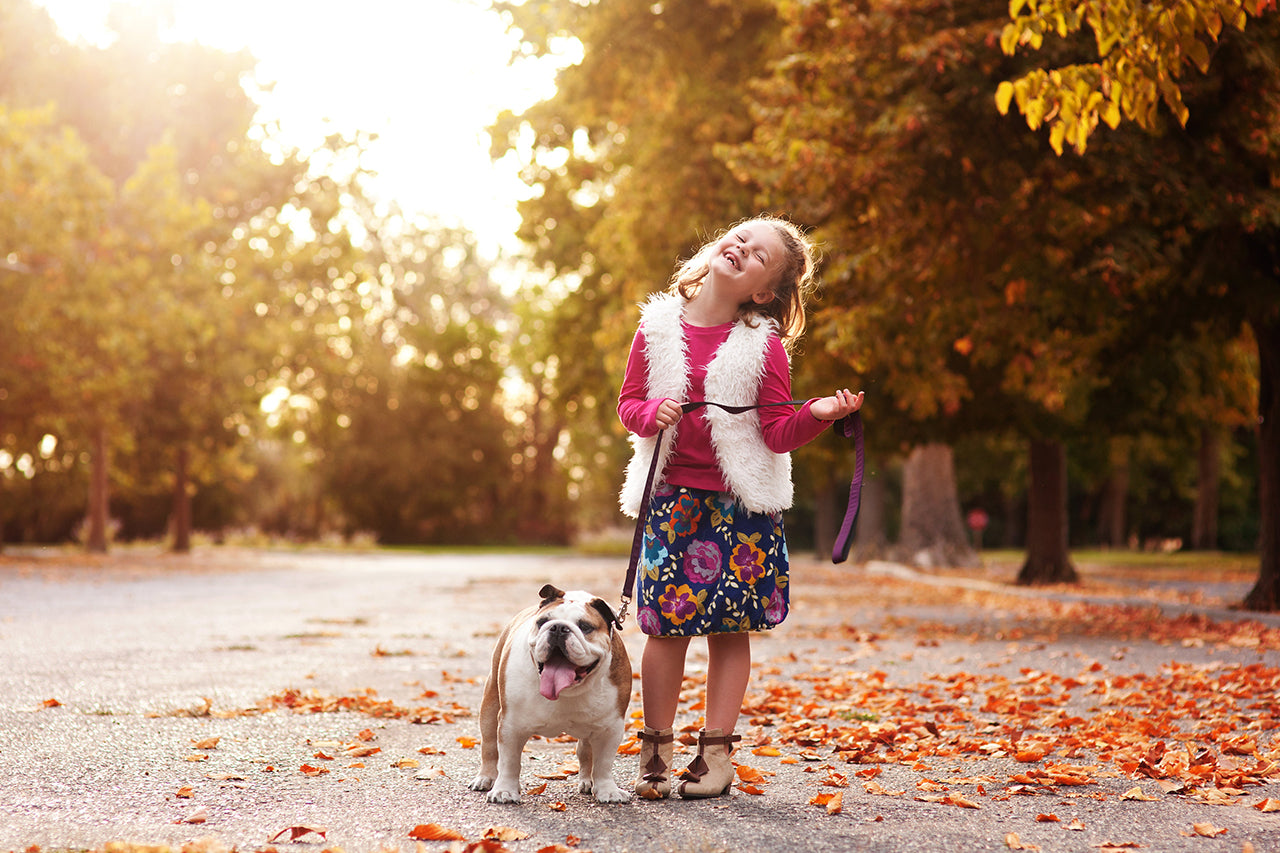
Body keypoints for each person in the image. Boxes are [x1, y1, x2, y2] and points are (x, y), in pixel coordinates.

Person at [616, 214, 864, 799]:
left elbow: (777, 431)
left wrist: (820, 414)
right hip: (673, 504)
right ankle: (655, 746)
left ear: (762, 290)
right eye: (741, 237)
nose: (742, 247)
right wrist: (653, 415)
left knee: (731, 629)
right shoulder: (655, 327)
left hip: (740, 511)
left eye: (758, 255)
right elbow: (629, 404)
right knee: (664, 628)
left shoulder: (762, 343)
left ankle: (716, 755)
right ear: (717, 245)